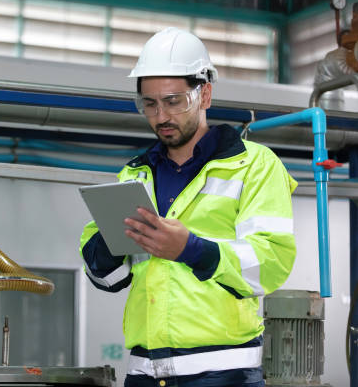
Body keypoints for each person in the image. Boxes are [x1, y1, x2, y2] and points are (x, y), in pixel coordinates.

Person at [79, 27, 297, 387]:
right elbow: (104, 276)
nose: (161, 115)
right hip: (145, 373)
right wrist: (109, 243)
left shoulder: (254, 165)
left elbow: (270, 264)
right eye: (149, 104)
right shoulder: (134, 175)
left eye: (174, 100)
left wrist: (191, 249)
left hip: (223, 373)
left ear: (205, 94)